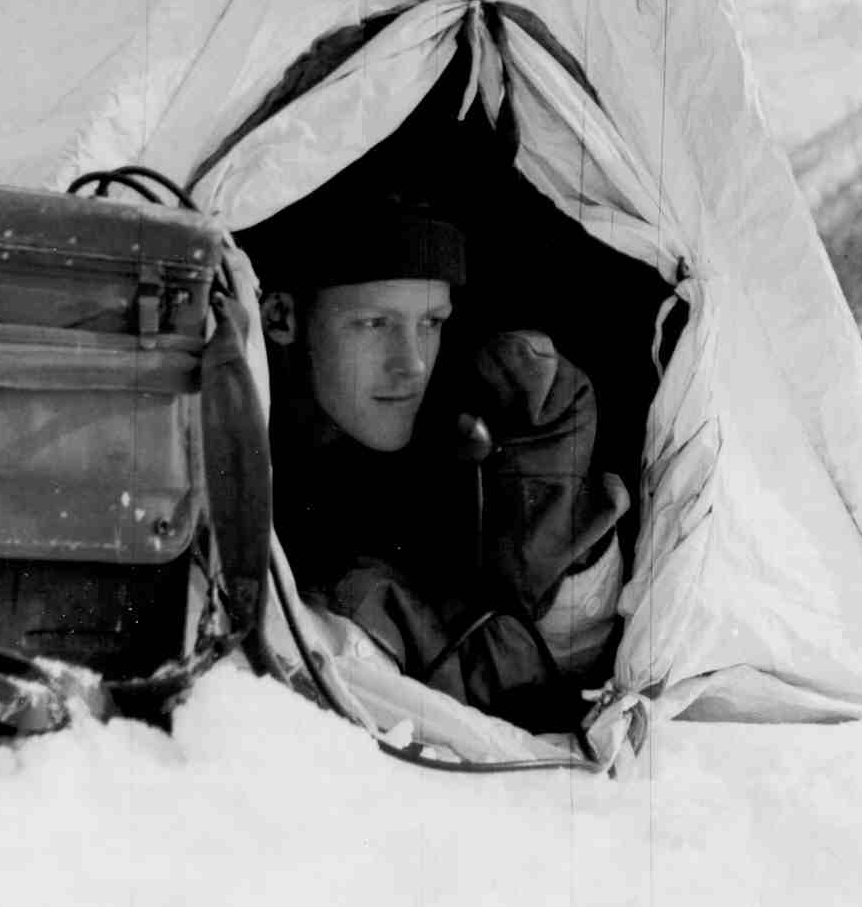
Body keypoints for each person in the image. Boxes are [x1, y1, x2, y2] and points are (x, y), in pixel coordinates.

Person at [248, 193, 629, 733]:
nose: (413, 364)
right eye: (374, 324)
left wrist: (555, 523)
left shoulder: (456, 452)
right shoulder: (232, 453)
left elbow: (572, 661)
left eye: (431, 322)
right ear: (281, 317)